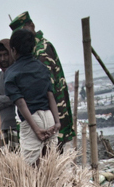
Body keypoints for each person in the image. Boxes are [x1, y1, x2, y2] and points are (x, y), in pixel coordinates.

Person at [9, 12, 75, 150]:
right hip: (48, 115)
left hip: (48, 113)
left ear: (31, 26)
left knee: (44, 159)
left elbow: (45, 90)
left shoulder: (40, 50)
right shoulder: (36, 49)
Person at [4, 27, 59, 165]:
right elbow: (50, 95)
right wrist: (57, 122)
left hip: (32, 119)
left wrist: (36, 129)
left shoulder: (11, 73)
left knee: (31, 166)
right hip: (49, 117)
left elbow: (21, 103)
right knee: (50, 164)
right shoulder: (42, 68)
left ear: (13, 50)